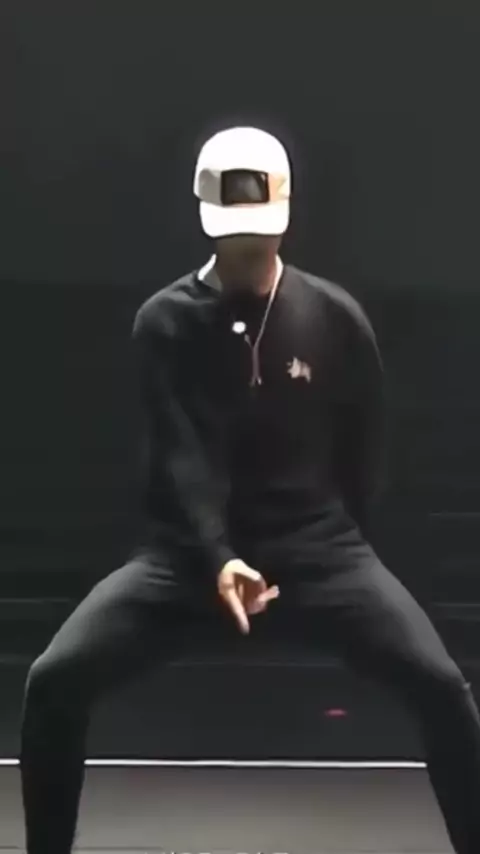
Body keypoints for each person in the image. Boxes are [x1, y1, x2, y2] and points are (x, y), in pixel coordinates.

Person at [20, 125, 480, 854]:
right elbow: (182, 457)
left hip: (319, 554)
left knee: (444, 689)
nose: (246, 251)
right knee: (52, 682)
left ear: (284, 218)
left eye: (258, 236)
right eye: (234, 237)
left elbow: (365, 447)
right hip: (185, 563)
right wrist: (217, 558)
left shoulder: (335, 317)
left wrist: (336, 554)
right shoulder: (164, 322)